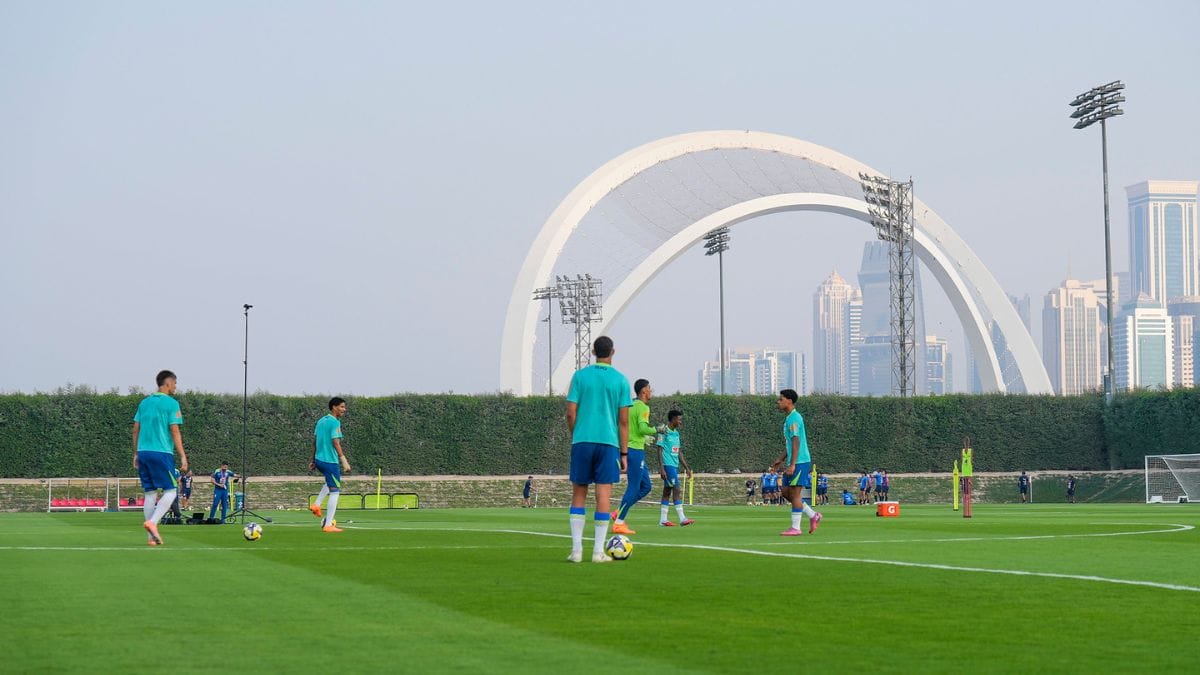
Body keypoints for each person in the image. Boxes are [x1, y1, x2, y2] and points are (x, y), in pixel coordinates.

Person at [565, 336, 631, 563]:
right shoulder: (621, 381)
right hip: (608, 444)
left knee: (578, 494)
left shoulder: (580, 376)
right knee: (603, 496)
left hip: (582, 441)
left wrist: (577, 434)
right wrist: (624, 453)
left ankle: (576, 551)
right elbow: (623, 421)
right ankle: (597, 553)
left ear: (593, 352)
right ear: (613, 351)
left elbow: (570, 412)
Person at [132, 369, 188, 546]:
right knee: (171, 490)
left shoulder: (144, 402)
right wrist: (183, 456)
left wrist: (135, 453)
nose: (176, 386)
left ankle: (151, 538)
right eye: (175, 383)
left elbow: (135, 429)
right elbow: (175, 430)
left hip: (143, 452)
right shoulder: (172, 404)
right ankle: (153, 522)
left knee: (150, 493)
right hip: (161, 453)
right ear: (168, 383)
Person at [612, 378, 659, 535]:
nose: (651, 391)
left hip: (631, 448)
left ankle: (618, 512)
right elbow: (643, 427)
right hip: (635, 451)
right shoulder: (644, 408)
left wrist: (643, 438)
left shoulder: (631, 404)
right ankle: (618, 523)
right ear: (644, 391)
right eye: (650, 388)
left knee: (646, 486)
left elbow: (629, 427)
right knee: (633, 487)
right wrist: (657, 429)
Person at [772, 389, 822, 536]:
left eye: (781, 399)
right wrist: (780, 460)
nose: (778, 402)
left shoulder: (794, 418)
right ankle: (813, 515)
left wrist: (793, 464)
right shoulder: (789, 418)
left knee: (794, 494)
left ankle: (796, 528)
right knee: (786, 492)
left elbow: (796, 441)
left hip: (800, 461)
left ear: (789, 401)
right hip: (794, 461)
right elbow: (790, 443)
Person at [309, 397, 352, 532]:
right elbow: (335, 442)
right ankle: (328, 525)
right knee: (335, 492)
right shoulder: (335, 422)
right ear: (334, 407)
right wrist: (343, 459)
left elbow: (314, 442)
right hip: (329, 461)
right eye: (342, 407)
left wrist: (313, 460)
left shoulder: (321, 421)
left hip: (319, 460)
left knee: (330, 482)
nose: (344, 410)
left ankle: (316, 504)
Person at [657, 410, 693, 527]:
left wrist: (686, 467)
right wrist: (661, 468)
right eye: (679, 419)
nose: (680, 422)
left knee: (667, 491)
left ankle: (663, 520)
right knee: (676, 489)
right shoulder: (664, 431)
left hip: (674, 465)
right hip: (668, 465)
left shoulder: (676, 433)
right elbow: (659, 449)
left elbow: (678, 452)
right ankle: (682, 518)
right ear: (673, 419)